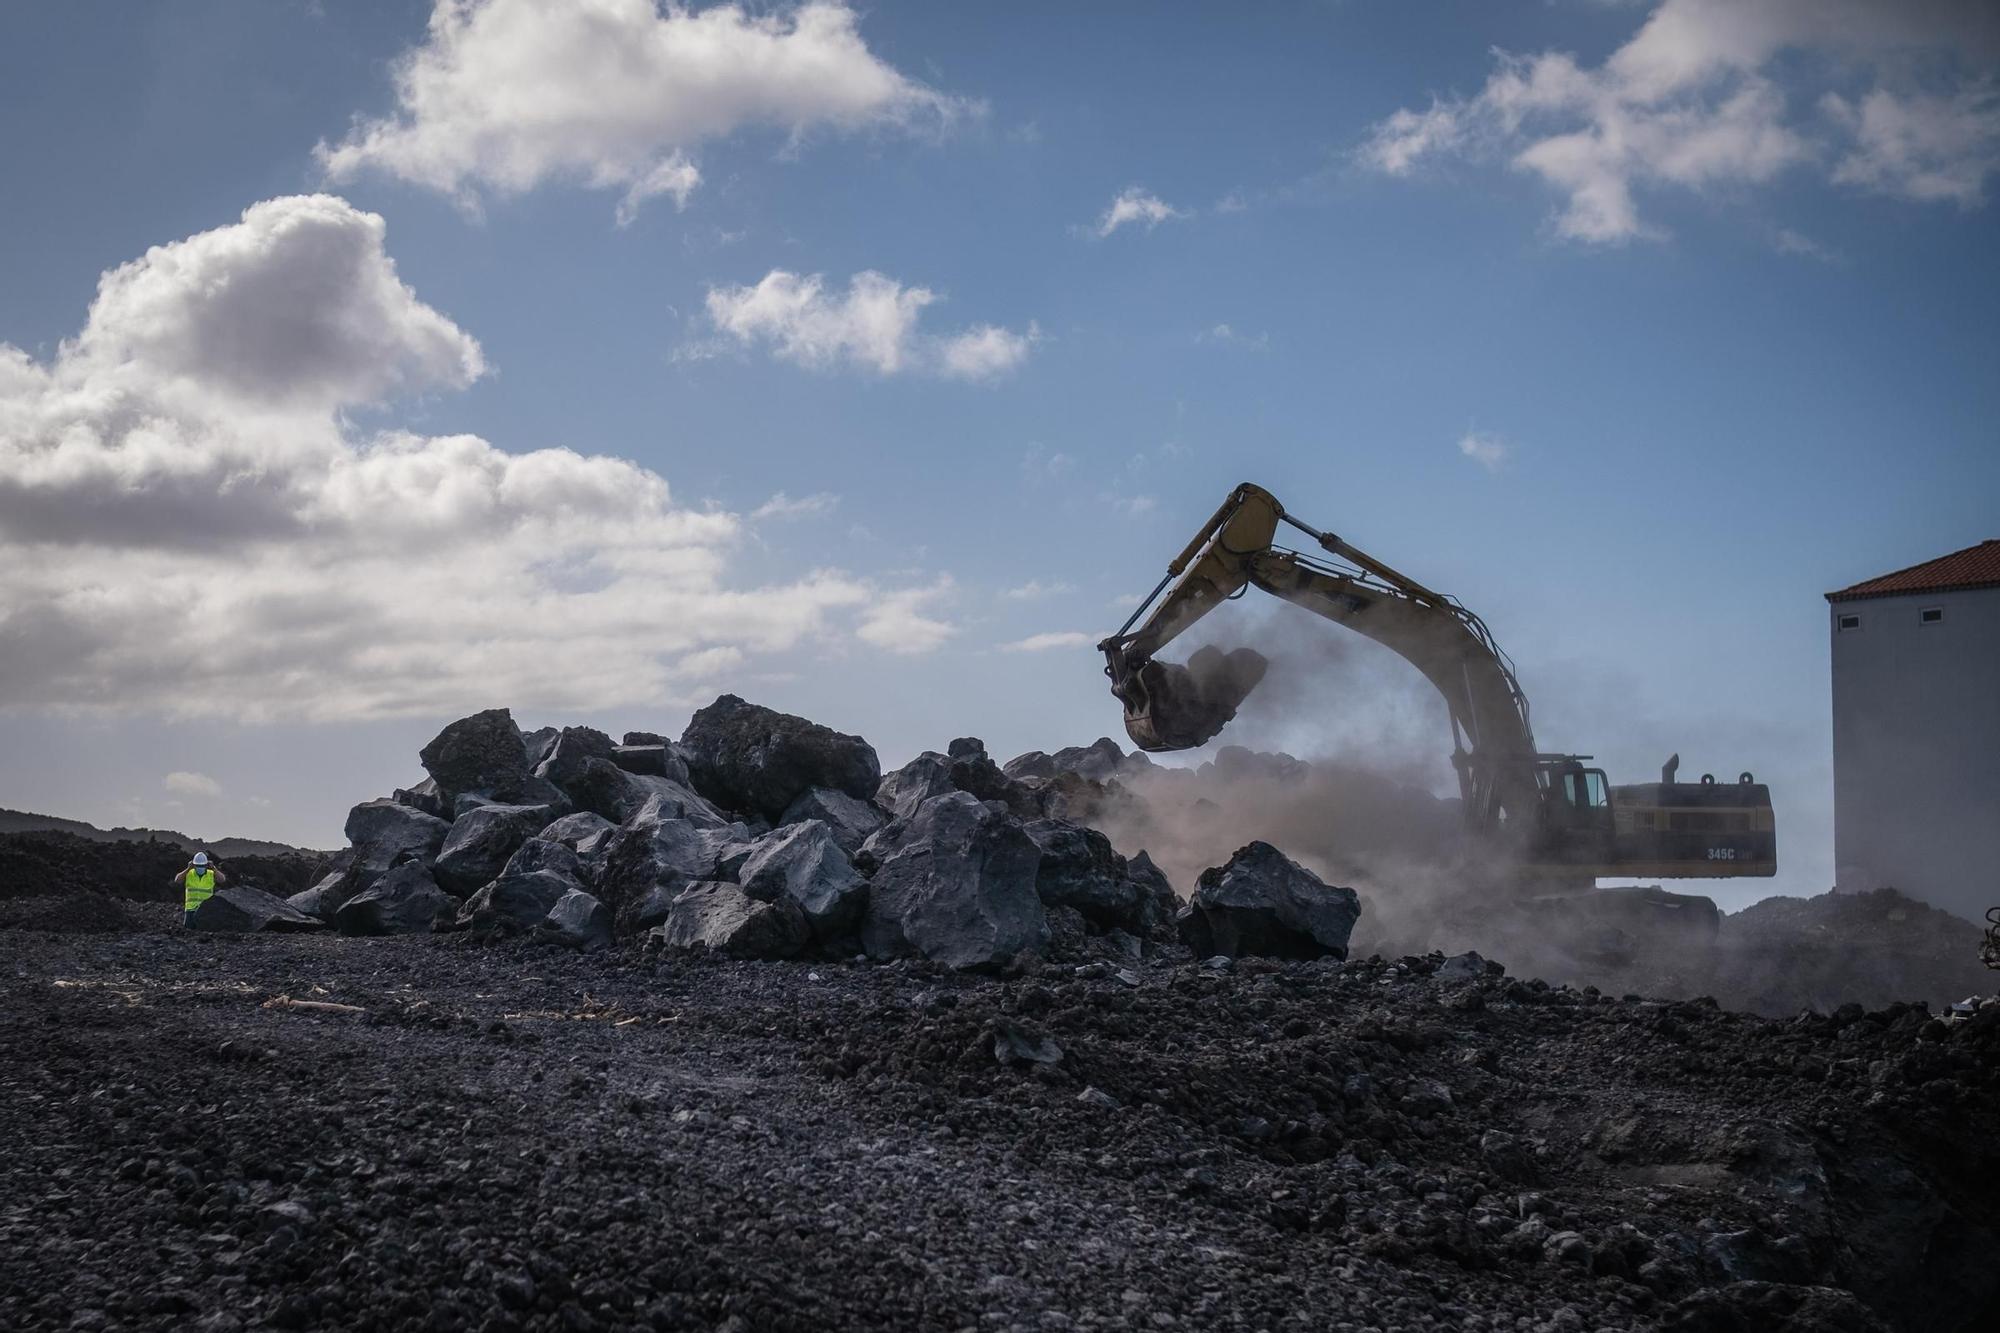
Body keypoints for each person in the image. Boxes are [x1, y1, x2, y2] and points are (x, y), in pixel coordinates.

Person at [173, 851, 226, 927]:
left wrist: (214, 868)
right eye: (198, 866)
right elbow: (177, 880)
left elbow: (222, 879)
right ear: (194, 865)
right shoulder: (189, 873)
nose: (200, 868)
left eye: (202, 866)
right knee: (189, 930)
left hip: (206, 910)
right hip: (191, 909)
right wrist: (188, 869)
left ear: (206, 865)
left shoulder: (211, 874)